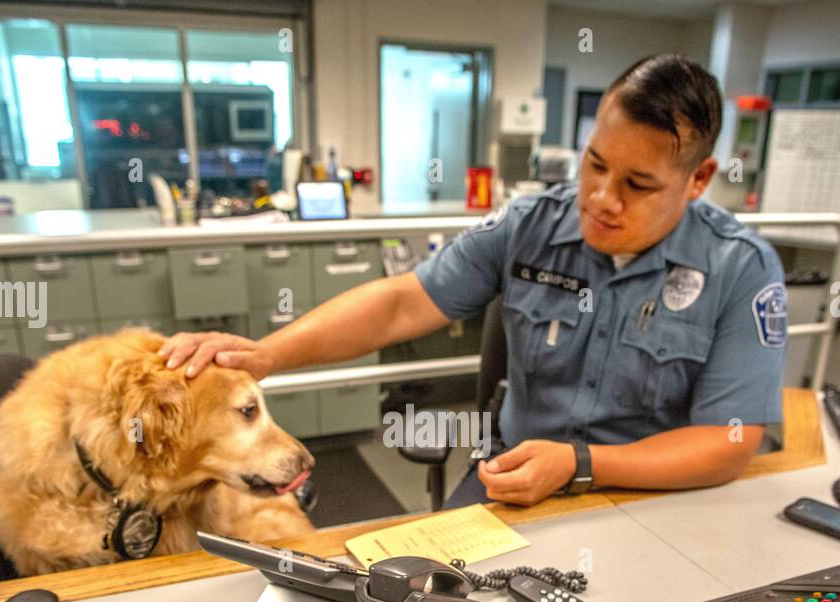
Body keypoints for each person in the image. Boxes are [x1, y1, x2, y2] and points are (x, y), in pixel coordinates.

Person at [158, 53, 787, 509]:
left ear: (699, 179)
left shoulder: (741, 268)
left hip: (654, 497)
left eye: (638, 185)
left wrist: (582, 465)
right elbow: (402, 304)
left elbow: (727, 443)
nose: (600, 197)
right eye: (595, 164)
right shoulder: (529, 225)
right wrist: (269, 354)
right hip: (510, 483)